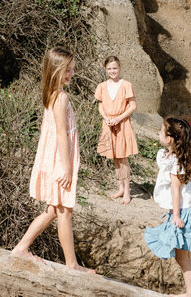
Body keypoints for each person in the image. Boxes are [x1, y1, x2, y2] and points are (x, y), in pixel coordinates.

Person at [12, 46, 93, 272]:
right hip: (60, 161)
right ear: (56, 70)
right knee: (64, 212)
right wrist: (67, 168)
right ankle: (72, 264)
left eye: (72, 70)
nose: (71, 74)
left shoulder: (52, 94)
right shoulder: (61, 97)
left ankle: (21, 247)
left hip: (54, 159)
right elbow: (60, 134)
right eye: (67, 70)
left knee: (52, 211)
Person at [144, 116, 191, 297]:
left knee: (183, 258)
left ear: (170, 139)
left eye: (161, 132)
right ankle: (190, 295)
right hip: (179, 212)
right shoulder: (173, 156)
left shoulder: (177, 162)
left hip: (182, 214)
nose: (158, 134)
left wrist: (177, 216)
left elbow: (175, 189)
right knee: (183, 257)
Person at [95, 55, 138, 204]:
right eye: (109, 69)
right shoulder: (101, 86)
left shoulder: (126, 85)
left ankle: (127, 191)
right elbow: (100, 105)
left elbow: (133, 106)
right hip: (108, 124)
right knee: (114, 157)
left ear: (119, 68)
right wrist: (106, 117)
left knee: (123, 157)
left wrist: (119, 118)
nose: (112, 71)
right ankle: (120, 187)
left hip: (122, 124)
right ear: (105, 69)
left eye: (115, 68)